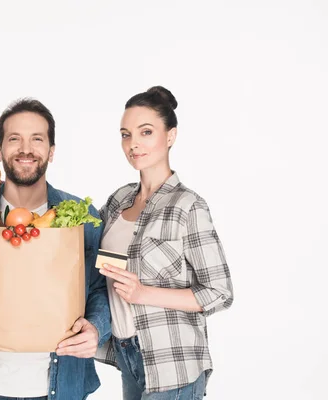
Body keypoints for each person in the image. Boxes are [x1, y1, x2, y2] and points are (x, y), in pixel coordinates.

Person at [0, 98, 111, 400]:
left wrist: (96, 328)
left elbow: (103, 288)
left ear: (51, 151)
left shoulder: (81, 216)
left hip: (62, 385)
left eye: (37, 139)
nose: (25, 149)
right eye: (14, 139)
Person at [96, 86, 234, 399]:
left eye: (146, 132)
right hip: (127, 353)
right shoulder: (117, 201)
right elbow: (89, 259)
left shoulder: (188, 206)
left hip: (173, 361)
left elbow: (220, 292)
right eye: (125, 134)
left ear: (170, 136)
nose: (133, 144)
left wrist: (143, 293)